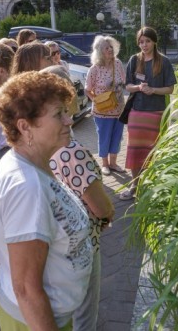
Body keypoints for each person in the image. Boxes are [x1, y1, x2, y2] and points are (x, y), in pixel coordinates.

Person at [0, 71, 93, 330]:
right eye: (58, 114)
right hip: (35, 321)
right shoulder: (26, 188)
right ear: (25, 127)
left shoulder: (32, 164)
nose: (69, 120)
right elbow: (25, 289)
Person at [50, 139, 114, 331]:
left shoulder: (35, 153)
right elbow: (101, 208)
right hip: (83, 245)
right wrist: (108, 215)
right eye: (59, 113)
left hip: (57, 247)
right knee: (85, 316)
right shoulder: (70, 151)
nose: (68, 120)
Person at [120, 27, 177, 200]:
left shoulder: (164, 61)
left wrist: (153, 90)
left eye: (147, 41)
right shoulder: (134, 60)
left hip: (156, 114)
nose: (144, 45)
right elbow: (127, 86)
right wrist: (138, 88)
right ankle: (135, 186)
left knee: (153, 151)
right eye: (141, 41)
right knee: (135, 150)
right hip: (137, 112)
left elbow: (170, 88)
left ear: (154, 42)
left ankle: (153, 185)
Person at [84, 35, 126, 175]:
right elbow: (87, 89)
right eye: (106, 48)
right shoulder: (95, 69)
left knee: (117, 136)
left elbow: (124, 81)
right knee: (104, 137)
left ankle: (113, 163)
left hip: (118, 108)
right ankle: (105, 164)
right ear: (100, 51)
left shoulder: (118, 63)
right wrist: (96, 100)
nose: (110, 50)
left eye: (111, 47)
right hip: (102, 111)